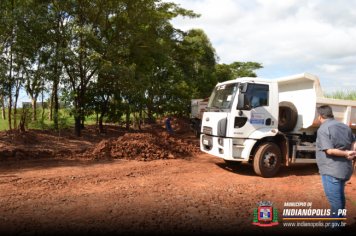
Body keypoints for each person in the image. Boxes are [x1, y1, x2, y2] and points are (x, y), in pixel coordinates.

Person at [316, 105, 356, 233]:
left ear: (320, 116)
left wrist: (346, 153)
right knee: (339, 196)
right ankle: (338, 221)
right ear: (331, 114)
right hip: (344, 169)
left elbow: (329, 150)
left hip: (331, 169)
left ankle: (336, 226)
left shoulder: (323, 128)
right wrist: (351, 152)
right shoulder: (345, 126)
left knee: (335, 198)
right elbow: (354, 141)